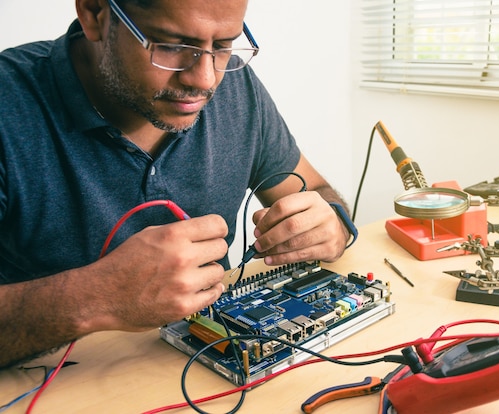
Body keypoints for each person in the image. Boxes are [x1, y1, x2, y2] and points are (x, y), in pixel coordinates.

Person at [0, 0, 354, 368]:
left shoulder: (236, 85)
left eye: (223, 45)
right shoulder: (9, 102)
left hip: (218, 364)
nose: (205, 79)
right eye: (172, 46)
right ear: (94, 14)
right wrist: (96, 297)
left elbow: (318, 192)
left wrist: (334, 224)